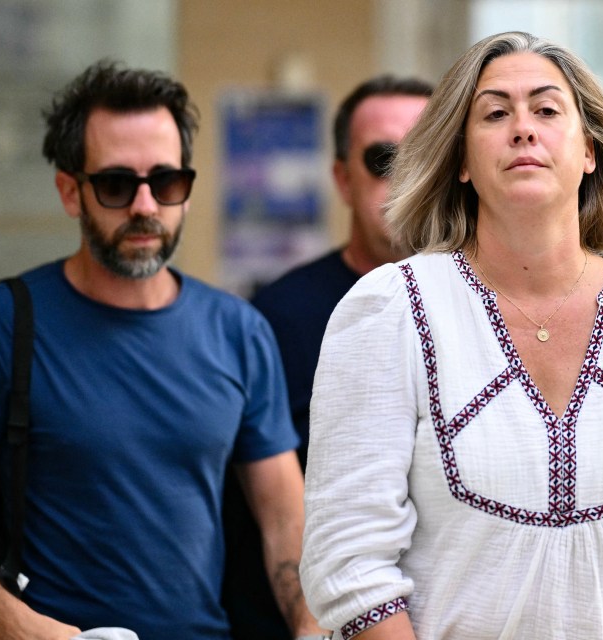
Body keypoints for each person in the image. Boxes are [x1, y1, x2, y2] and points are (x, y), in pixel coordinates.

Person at [301, 31, 603, 640]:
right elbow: (349, 557)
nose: (524, 128)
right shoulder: (392, 309)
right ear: (463, 161)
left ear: (590, 151)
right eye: (495, 113)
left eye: (547, 110)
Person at [0, 60, 324, 640]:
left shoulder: (237, 330)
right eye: (118, 184)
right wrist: (15, 623)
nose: (146, 206)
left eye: (166, 182)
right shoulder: (0, 325)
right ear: (71, 191)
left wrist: (309, 624)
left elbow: (282, 515)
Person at [221, 75, 432, 639]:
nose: (406, 176)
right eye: (384, 157)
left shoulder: (491, 308)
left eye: (427, 153)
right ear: (342, 177)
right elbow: (267, 501)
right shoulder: (276, 317)